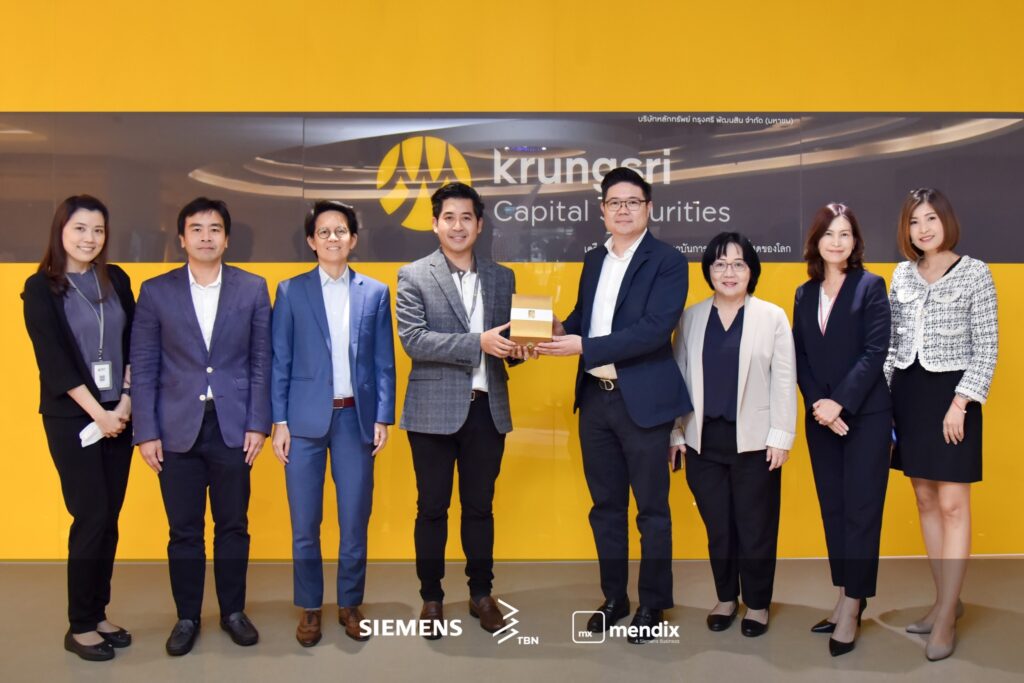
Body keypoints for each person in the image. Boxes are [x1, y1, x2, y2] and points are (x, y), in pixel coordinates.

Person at [537, 167, 690, 644]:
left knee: (652, 511)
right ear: (602, 210)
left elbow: (654, 329)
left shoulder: (668, 261)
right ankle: (614, 598)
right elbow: (586, 319)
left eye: (633, 202)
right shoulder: (593, 259)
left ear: (649, 208)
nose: (623, 210)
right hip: (596, 401)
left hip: (642, 402)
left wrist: (583, 346)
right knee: (605, 508)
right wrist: (557, 330)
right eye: (614, 202)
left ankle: (652, 604)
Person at [131, 197, 271, 656]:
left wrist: (258, 423)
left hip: (234, 426)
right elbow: (144, 366)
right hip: (175, 429)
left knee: (233, 525)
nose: (206, 237)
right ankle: (187, 617)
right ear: (182, 238)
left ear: (226, 238)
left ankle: (233, 612)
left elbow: (261, 362)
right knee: (184, 530)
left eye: (215, 229)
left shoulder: (252, 288)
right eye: (197, 229)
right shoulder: (156, 291)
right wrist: (146, 432)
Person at [396, 182, 528, 638]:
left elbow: (508, 342)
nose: (457, 226)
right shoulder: (413, 275)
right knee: (431, 509)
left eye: (466, 218)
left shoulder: (501, 277)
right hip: (432, 412)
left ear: (480, 224)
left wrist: (518, 350)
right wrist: (478, 343)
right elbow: (414, 340)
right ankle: (431, 597)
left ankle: (481, 594)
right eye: (449, 218)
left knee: (480, 508)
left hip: (487, 410)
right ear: (435, 223)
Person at [271, 201, 396, 647]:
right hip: (303, 421)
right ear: (311, 241)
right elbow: (280, 360)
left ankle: (349, 603)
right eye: (323, 232)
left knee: (354, 518)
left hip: (354, 419)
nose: (332, 238)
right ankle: (309, 607)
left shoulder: (375, 292)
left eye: (340, 230)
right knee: (305, 523)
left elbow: (384, 361)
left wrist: (382, 416)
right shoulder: (290, 291)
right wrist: (279, 421)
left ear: (353, 239)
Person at [885, 187, 997, 662]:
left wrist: (961, 403)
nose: (923, 229)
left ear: (946, 221)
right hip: (908, 395)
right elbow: (891, 344)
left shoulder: (975, 272)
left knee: (952, 505)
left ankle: (948, 616)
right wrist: (884, 403)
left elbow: (987, 347)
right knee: (925, 500)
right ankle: (943, 601)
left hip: (953, 398)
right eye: (914, 221)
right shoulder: (901, 275)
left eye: (930, 218)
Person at [22, 195, 135, 662]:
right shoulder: (40, 288)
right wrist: (99, 414)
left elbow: (136, 343)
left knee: (109, 518)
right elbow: (54, 362)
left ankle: (99, 612)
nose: (90, 238)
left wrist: (124, 402)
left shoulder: (117, 279)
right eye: (80, 229)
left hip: (120, 413)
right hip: (74, 419)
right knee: (90, 515)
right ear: (61, 231)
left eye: (98, 230)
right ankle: (80, 624)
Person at [669, 232, 796, 638]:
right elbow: (677, 379)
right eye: (720, 264)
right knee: (719, 528)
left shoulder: (772, 317)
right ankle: (726, 598)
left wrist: (781, 436)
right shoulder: (690, 318)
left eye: (738, 264)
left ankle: (757, 603)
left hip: (756, 443)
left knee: (756, 528)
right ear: (708, 270)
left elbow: (784, 380)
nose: (729, 272)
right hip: (703, 442)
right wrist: (675, 433)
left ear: (751, 270)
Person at [792, 203, 892, 656]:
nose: (837, 241)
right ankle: (843, 593)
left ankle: (853, 604)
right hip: (821, 419)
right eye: (829, 234)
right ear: (816, 241)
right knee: (833, 509)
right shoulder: (804, 293)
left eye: (845, 234)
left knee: (861, 511)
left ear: (856, 242)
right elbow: (800, 356)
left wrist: (840, 402)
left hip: (865, 416)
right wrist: (819, 404)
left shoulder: (870, 286)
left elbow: (875, 351)